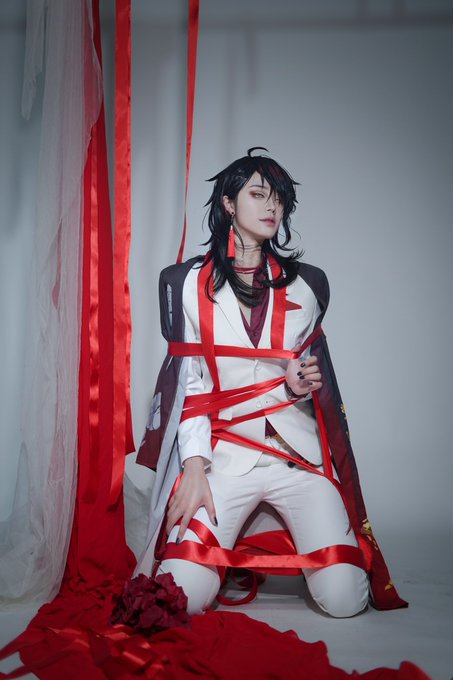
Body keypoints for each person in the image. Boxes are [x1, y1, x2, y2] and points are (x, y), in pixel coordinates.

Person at [135, 148, 407, 617]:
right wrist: (194, 466)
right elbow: (190, 385)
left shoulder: (309, 284)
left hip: (296, 460)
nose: (271, 207)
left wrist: (298, 383)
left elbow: (306, 371)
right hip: (222, 457)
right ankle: (231, 549)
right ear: (228, 203)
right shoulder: (185, 284)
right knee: (181, 596)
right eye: (258, 195)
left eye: (278, 199)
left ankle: (268, 542)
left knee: (344, 599)